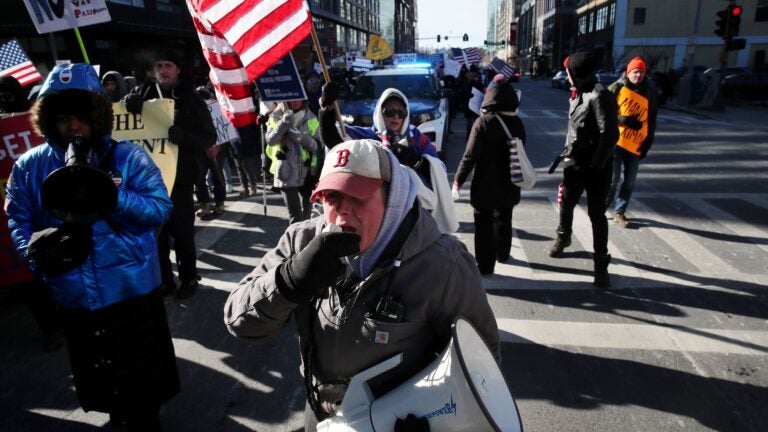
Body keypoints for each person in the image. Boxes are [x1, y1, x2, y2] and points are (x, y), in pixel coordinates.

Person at [223, 139, 499, 431]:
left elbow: (482, 363)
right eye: (331, 197)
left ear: (393, 197)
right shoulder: (301, 242)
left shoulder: (444, 266)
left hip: (395, 421)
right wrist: (289, 281)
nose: (342, 212)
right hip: (321, 415)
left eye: (357, 197)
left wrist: (440, 418)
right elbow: (238, 321)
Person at [5, 63, 178, 431]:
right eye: (64, 118)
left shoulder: (128, 158)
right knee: (104, 386)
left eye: (82, 117)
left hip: (131, 293)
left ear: (96, 117)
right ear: (50, 120)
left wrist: (113, 195)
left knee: (143, 389)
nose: (73, 127)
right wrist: (37, 257)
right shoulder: (29, 167)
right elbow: (18, 218)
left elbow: (160, 208)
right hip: (75, 297)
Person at [123, 48, 216, 299]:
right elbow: (122, 128)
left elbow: (209, 136)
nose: (163, 70)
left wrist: (183, 137)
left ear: (178, 70)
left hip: (180, 180)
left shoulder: (191, 99)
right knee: (157, 236)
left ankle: (188, 278)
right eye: (159, 65)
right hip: (147, 183)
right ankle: (164, 280)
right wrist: (127, 104)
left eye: (168, 65)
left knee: (183, 233)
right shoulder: (140, 94)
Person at [318, 83, 458, 233]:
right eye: (389, 111)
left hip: (415, 215)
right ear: (379, 113)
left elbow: (438, 171)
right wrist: (327, 110)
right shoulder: (366, 138)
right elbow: (338, 144)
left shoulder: (418, 139)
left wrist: (417, 162)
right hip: (378, 215)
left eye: (401, 112)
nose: (396, 116)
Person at [549, 52, 619, 288]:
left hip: (595, 168)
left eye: (568, 72)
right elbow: (575, 130)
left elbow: (610, 135)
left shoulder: (600, 95)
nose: (566, 76)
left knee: (596, 215)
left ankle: (601, 267)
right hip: (574, 163)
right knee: (566, 202)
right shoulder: (578, 93)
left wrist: (595, 164)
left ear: (577, 73)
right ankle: (563, 237)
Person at [452, 74, 527, 276]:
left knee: (484, 224)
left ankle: (485, 266)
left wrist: (458, 180)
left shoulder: (482, 123)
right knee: (505, 218)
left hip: (485, 184)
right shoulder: (517, 122)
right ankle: (503, 254)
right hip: (510, 181)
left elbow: (470, 156)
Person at [607, 56, 658, 227]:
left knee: (629, 181)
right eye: (635, 72)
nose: (638, 75)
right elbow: (604, 113)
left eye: (641, 72)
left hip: (636, 144)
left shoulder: (648, 91)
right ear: (628, 72)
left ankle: (619, 212)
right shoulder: (616, 88)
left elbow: (651, 119)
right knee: (612, 179)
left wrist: (648, 142)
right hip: (615, 142)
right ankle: (601, 207)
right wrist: (625, 120)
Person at [264, 99, 320, 224]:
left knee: (308, 217)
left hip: (308, 173)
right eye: (291, 99)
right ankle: (296, 242)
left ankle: (307, 241)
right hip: (285, 172)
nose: (294, 102)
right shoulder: (275, 116)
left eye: (298, 98)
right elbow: (271, 141)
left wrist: (301, 137)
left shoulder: (311, 117)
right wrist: (283, 123)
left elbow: (317, 145)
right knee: (295, 218)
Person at [192, 86, 227, 218]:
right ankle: (204, 204)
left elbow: (224, 130)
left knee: (217, 176)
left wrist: (216, 147)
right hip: (200, 149)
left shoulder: (218, 109)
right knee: (199, 177)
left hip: (217, 149)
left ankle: (220, 202)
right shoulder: (193, 111)